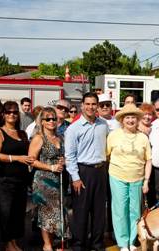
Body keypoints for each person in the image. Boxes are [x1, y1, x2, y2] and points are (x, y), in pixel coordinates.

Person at [65, 92, 109, 251]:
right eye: (87, 104)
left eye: (93, 104)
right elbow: (69, 156)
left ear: (97, 106)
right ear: (82, 106)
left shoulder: (104, 125)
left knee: (99, 212)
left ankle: (97, 244)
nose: (90, 107)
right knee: (81, 211)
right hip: (82, 172)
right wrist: (75, 178)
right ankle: (79, 245)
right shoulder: (73, 128)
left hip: (100, 171)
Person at [107, 104, 152, 251]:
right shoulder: (113, 135)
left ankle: (132, 240)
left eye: (133, 117)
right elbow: (107, 156)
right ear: (122, 120)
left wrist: (146, 180)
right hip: (117, 176)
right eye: (127, 117)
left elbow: (148, 160)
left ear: (138, 119)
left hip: (137, 178)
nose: (131, 120)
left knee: (135, 211)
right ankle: (122, 242)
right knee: (120, 210)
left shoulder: (143, 137)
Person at [0, 101, 33, 251]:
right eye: (8, 112)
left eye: (15, 112)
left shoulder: (23, 133)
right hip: (6, 180)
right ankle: (8, 244)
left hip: (22, 180)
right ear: (3, 114)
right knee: (6, 214)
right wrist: (16, 158)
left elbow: (29, 154)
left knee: (17, 214)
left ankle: (14, 242)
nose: (12, 115)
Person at [29, 107, 70, 251]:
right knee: (46, 213)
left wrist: (63, 161)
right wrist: (51, 167)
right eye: (48, 119)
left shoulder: (60, 137)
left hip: (59, 181)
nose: (52, 121)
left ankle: (52, 242)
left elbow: (64, 156)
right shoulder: (39, 138)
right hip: (44, 181)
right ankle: (47, 245)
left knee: (56, 212)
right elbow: (31, 160)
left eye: (54, 118)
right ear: (42, 121)